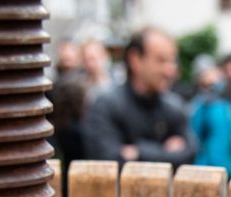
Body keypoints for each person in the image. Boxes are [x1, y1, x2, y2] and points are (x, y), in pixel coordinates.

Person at [83, 27, 195, 168]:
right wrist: (164, 152)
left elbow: (189, 155)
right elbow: (108, 162)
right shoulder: (106, 105)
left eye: (172, 61)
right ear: (135, 59)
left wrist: (138, 152)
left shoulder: (174, 107)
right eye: (161, 61)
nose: (170, 70)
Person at [190, 55, 231, 176]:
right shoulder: (208, 100)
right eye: (230, 70)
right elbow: (194, 136)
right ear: (223, 72)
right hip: (209, 171)